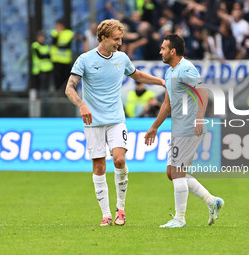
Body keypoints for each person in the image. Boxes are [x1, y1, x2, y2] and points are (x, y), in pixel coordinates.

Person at [65, 19, 165, 227]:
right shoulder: (85, 59)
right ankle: (106, 214)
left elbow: (136, 74)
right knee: (99, 166)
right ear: (103, 38)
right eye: (116, 39)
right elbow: (69, 88)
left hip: (116, 119)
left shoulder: (122, 58)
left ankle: (121, 209)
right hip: (93, 121)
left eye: (120, 39)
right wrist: (82, 105)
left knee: (119, 160)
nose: (119, 43)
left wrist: (161, 81)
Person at [144, 34, 224, 228]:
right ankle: (212, 201)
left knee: (178, 172)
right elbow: (167, 104)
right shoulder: (170, 72)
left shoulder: (186, 69)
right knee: (172, 172)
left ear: (173, 51)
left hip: (189, 126)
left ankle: (180, 219)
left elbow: (203, 92)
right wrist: (154, 127)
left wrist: (198, 118)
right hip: (178, 127)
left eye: (163, 48)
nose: (160, 51)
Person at [50, 19, 74, 92]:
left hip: (66, 60)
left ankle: (66, 92)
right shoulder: (54, 33)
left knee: (66, 77)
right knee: (57, 78)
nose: (57, 28)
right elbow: (54, 43)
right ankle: (58, 92)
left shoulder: (69, 33)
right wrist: (58, 34)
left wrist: (59, 46)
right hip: (56, 59)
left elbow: (67, 46)